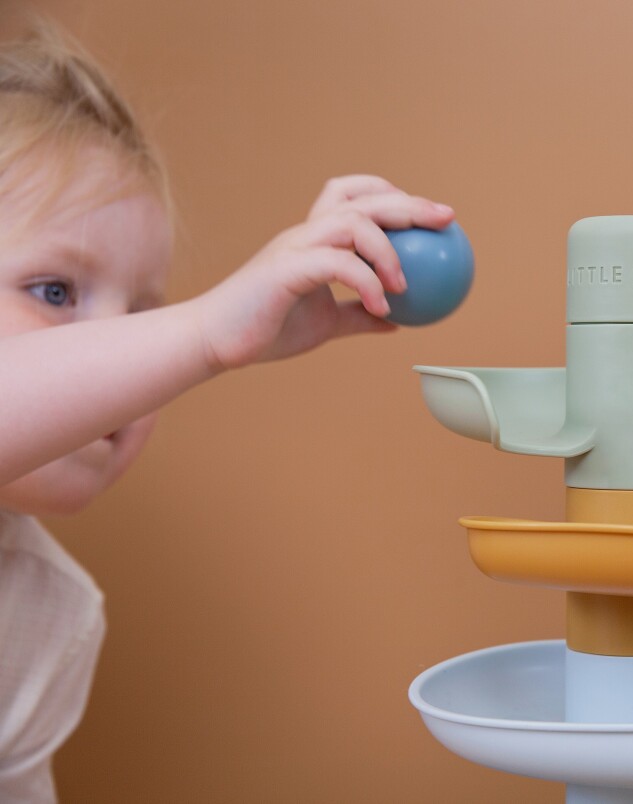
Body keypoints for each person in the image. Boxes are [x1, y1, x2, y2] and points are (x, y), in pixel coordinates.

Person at [0, 19, 456, 802]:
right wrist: (204, 332)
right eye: (55, 291)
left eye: (143, 314)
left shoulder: (53, 614)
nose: (122, 349)